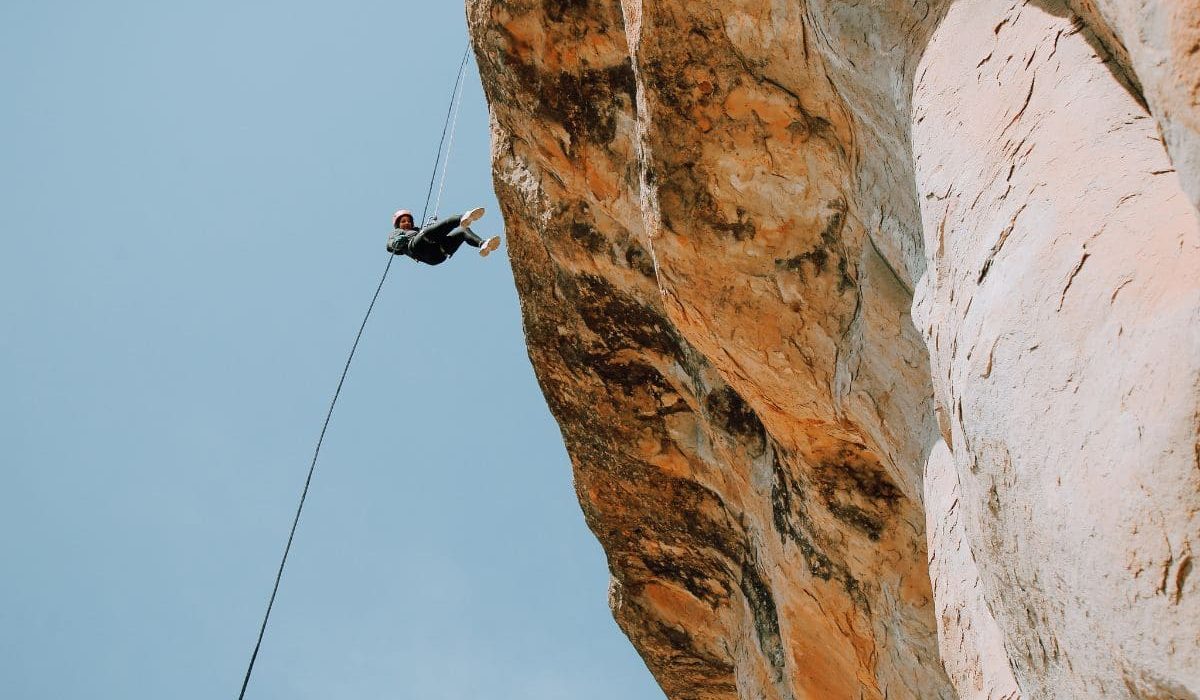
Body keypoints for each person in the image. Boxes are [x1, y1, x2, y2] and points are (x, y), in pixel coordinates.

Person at [386, 207, 501, 265]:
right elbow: (390, 246)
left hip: (437, 254)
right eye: (403, 221)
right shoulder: (397, 233)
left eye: (408, 221)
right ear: (398, 225)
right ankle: (461, 218)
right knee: (426, 234)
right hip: (418, 247)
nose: (407, 223)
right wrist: (395, 242)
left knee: (463, 231)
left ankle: (483, 244)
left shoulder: (417, 230)